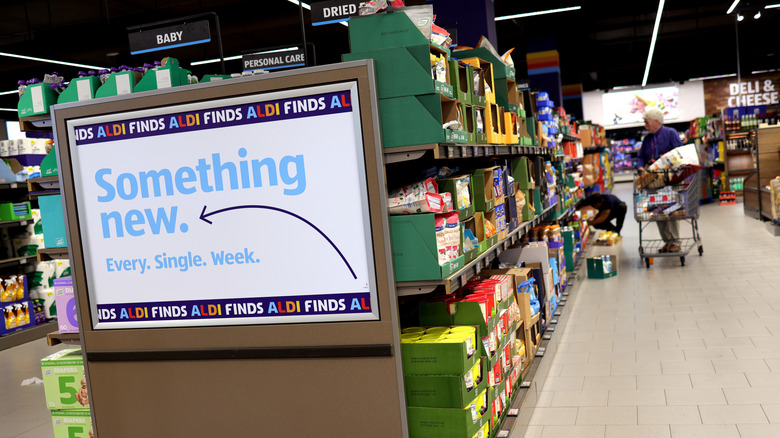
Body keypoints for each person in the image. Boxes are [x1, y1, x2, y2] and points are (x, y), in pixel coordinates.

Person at [638, 107, 683, 253]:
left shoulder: (670, 133)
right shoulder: (647, 139)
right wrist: (640, 167)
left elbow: (679, 154)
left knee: (672, 210)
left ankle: (675, 241)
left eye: (647, 123)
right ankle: (667, 241)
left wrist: (664, 161)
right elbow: (640, 157)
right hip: (653, 181)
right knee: (658, 212)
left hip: (670, 179)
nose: (645, 126)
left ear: (656, 122)